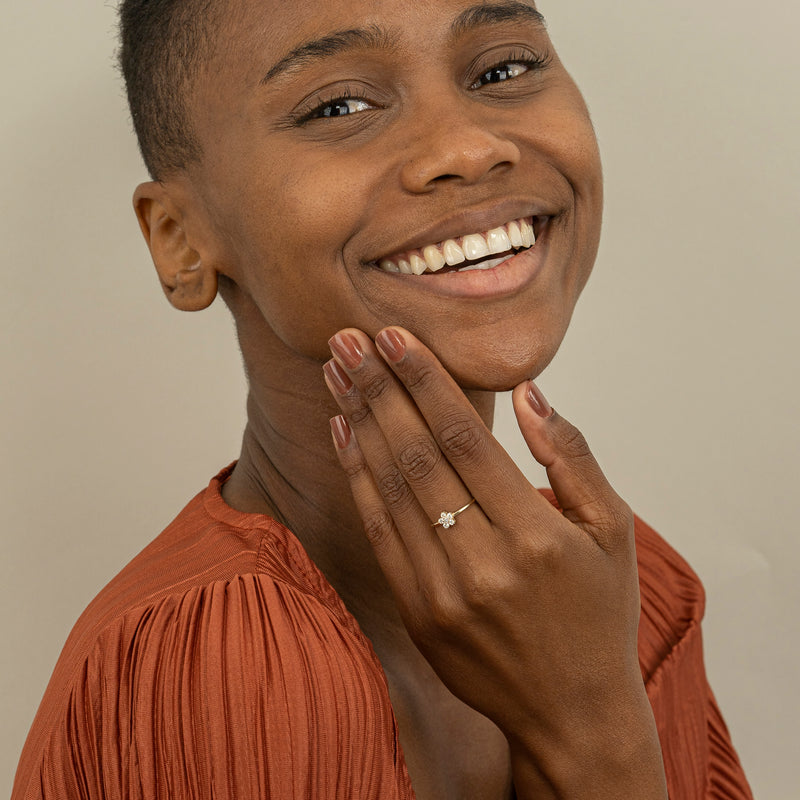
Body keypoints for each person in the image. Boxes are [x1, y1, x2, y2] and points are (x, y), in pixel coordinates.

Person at [12, 1, 753, 798]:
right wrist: (589, 727)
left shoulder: (623, 594)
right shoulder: (199, 669)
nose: (468, 148)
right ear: (179, 240)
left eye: (503, 69)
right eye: (339, 107)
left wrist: (593, 696)